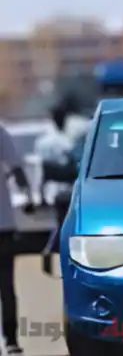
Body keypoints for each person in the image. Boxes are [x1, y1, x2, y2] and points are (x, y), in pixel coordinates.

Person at [0, 122, 34, 356]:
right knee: (6, 285)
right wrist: (28, 195)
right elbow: (16, 168)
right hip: (3, 224)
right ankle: (11, 341)